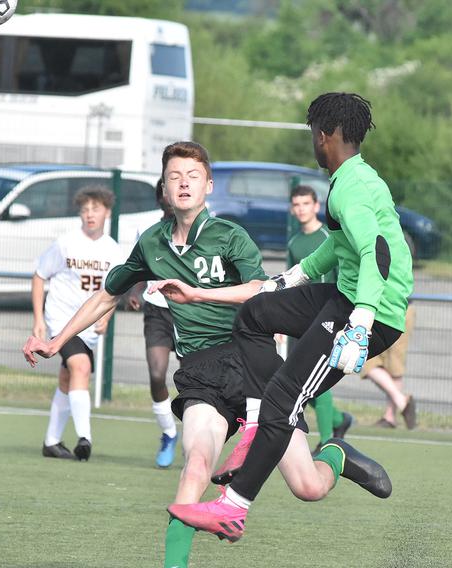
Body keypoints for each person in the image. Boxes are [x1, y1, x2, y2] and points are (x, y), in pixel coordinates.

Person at [22, 141, 391, 566]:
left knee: (308, 487)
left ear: (208, 186)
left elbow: (261, 294)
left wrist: (199, 295)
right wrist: (54, 341)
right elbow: (107, 295)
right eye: (174, 177)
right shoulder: (152, 244)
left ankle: (335, 455)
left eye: (192, 176)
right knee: (195, 466)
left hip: (253, 367)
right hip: (201, 374)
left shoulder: (230, 236)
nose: (183, 183)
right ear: (163, 189)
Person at [166, 92, 414, 542]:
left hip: (370, 312)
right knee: (256, 314)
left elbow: (373, 253)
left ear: (326, 136)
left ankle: (234, 508)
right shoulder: (353, 178)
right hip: (347, 294)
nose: (312, 144)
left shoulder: (350, 189)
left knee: (285, 400)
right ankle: (261, 424)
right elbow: (339, 247)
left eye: (312, 135)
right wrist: (293, 278)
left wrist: (360, 323)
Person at [31, 185, 121, 461]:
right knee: (81, 366)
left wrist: (105, 316)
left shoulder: (113, 251)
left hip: (88, 327)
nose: (89, 214)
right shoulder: (65, 243)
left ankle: (51, 441)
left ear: (107, 211)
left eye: (95, 209)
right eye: (85, 210)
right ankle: (85, 437)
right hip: (61, 321)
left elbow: (115, 291)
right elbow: (38, 275)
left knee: (68, 378)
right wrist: (38, 320)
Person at [286, 184, 353, 450]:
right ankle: (338, 419)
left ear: (316, 206)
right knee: (299, 377)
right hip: (300, 319)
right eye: (297, 204)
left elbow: (343, 275)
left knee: (318, 379)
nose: (301, 209)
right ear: (292, 209)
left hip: (328, 317)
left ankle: (327, 443)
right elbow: (294, 280)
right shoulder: (294, 243)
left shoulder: (329, 236)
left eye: (306, 204)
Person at [127, 178, 179, 468]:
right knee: (157, 375)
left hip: (191, 313)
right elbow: (138, 269)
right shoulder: (148, 231)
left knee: (193, 382)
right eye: (165, 190)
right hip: (157, 310)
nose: (171, 195)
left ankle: (197, 439)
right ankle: (169, 433)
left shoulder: (205, 229)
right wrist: (134, 292)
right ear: (159, 197)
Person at [362, 303, 417, 429]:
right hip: (378, 310)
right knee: (367, 362)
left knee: (395, 367)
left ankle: (390, 416)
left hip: (399, 309)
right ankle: (402, 402)